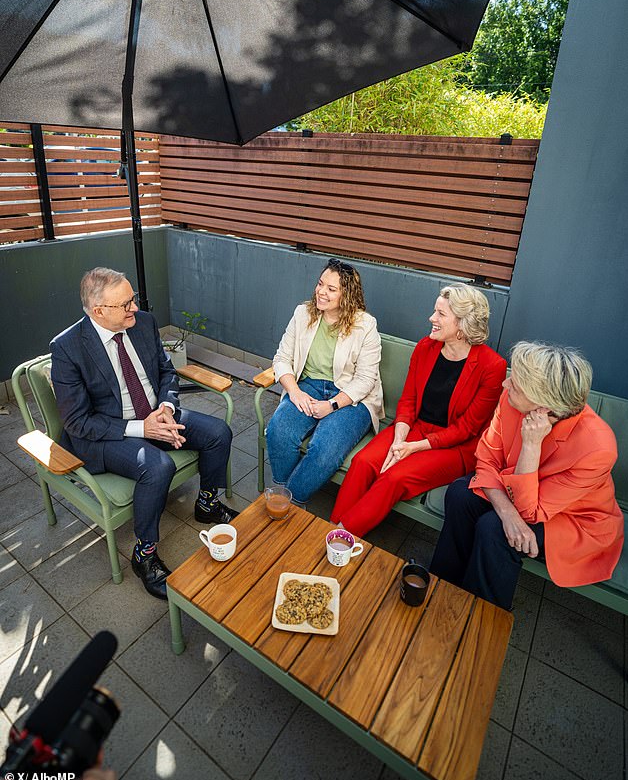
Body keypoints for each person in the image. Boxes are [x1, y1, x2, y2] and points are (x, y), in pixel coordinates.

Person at [50, 267, 237, 600]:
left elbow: (166, 372)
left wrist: (164, 408)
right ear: (98, 311)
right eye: (125, 304)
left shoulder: (144, 323)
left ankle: (207, 503)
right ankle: (145, 553)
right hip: (107, 434)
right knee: (157, 466)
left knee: (218, 432)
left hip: (155, 414)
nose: (134, 307)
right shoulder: (68, 349)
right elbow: (79, 422)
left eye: (132, 299)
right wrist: (143, 428)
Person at [430, 341, 624, 611]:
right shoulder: (512, 402)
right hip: (515, 491)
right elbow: (486, 459)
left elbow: (532, 512)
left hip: (573, 519)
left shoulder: (598, 448)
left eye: (517, 385)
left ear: (544, 406)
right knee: (460, 494)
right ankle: (442, 586)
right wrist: (507, 514)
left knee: (494, 530)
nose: (505, 384)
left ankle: (482, 620)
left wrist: (531, 445)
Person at [330, 283, 506, 536]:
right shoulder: (426, 347)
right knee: (363, 462)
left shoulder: (492, 366)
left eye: (441, 314)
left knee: (393, 478)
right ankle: (330, 529)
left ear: (463, 325)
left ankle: (340, 536)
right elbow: (408, 401)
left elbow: (467, 429)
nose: (431, 318)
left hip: (454, 446)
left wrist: (412, 448)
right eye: (435, 311)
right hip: (413, 428)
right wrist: (399, 440)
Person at [266, 257, 383, 505]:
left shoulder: (366, 325)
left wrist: (331, 405)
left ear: (347, 295)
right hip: (308, 385)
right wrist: (295, 392)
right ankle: (285, 491)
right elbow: (281, 359)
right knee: (279, 430)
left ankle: (288, 502)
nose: (321, 292)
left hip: (351, 397)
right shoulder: (302, 313)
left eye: (331, 289)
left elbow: (365, 380)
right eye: (320, 284)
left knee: (325, 448)